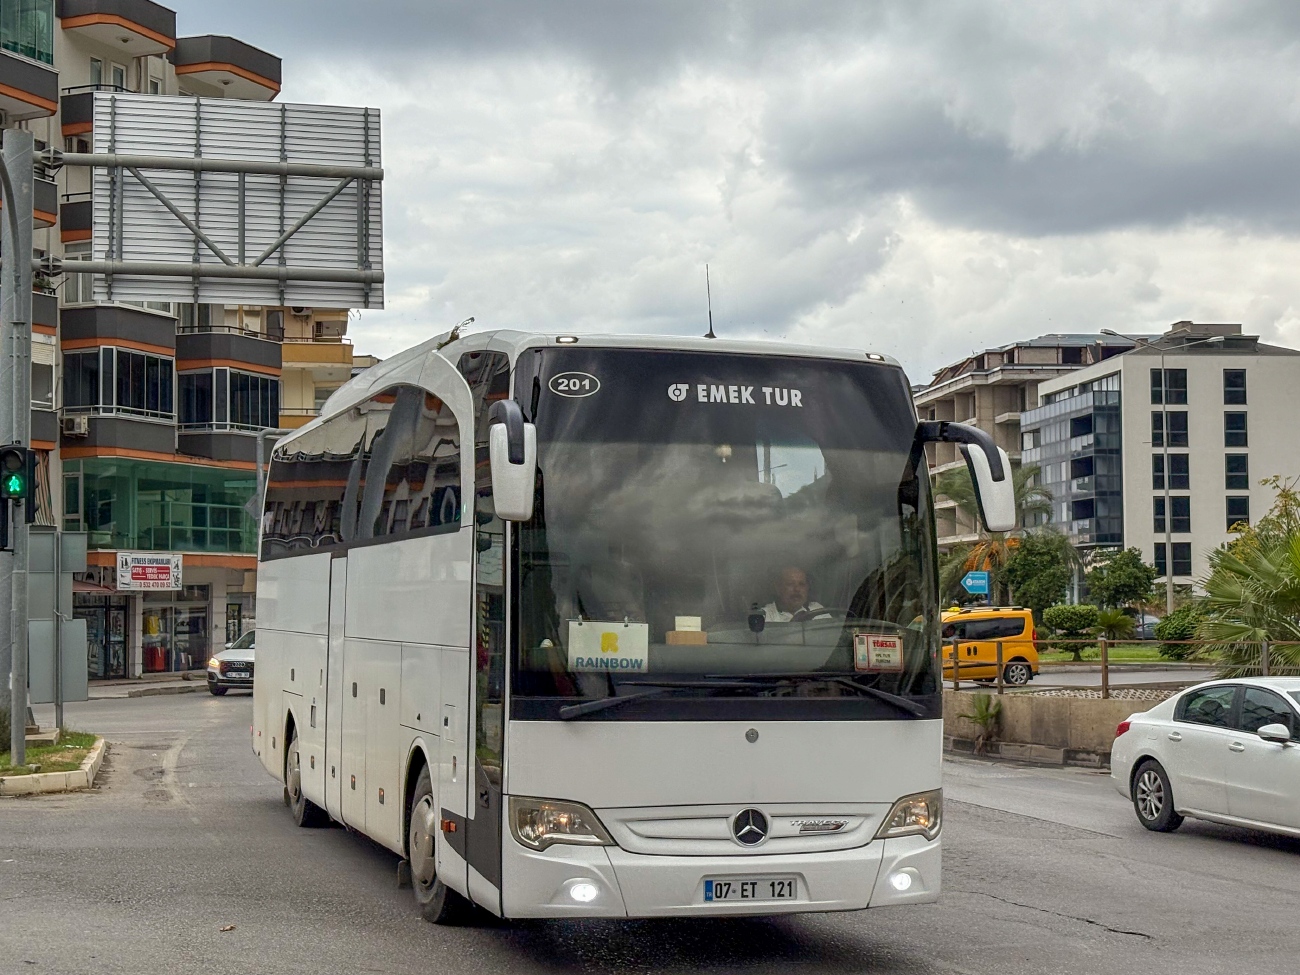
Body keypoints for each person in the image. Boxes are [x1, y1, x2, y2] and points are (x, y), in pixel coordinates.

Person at [762, 566, 831, 622]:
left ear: (807, 588)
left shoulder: (818, 610)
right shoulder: (764, 616)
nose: (797, 589)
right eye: (790, 584)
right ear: (778, 588)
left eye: (801, 584)